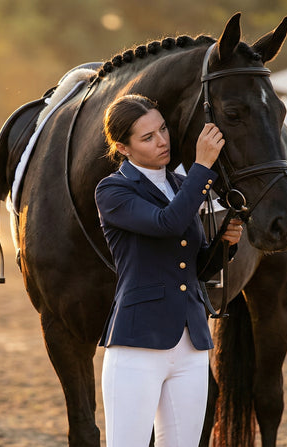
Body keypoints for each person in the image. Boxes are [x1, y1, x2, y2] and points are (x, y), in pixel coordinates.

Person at [94, 94, 243, 447]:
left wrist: (225, 244)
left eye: (162, 129)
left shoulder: (180, 186)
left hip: (191, 343)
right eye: (147, 137)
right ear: (123, 147)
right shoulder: (113, 190)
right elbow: (167, 224)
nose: (162, 141)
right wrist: (202, 167)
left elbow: (196, 268)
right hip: (137, 344)